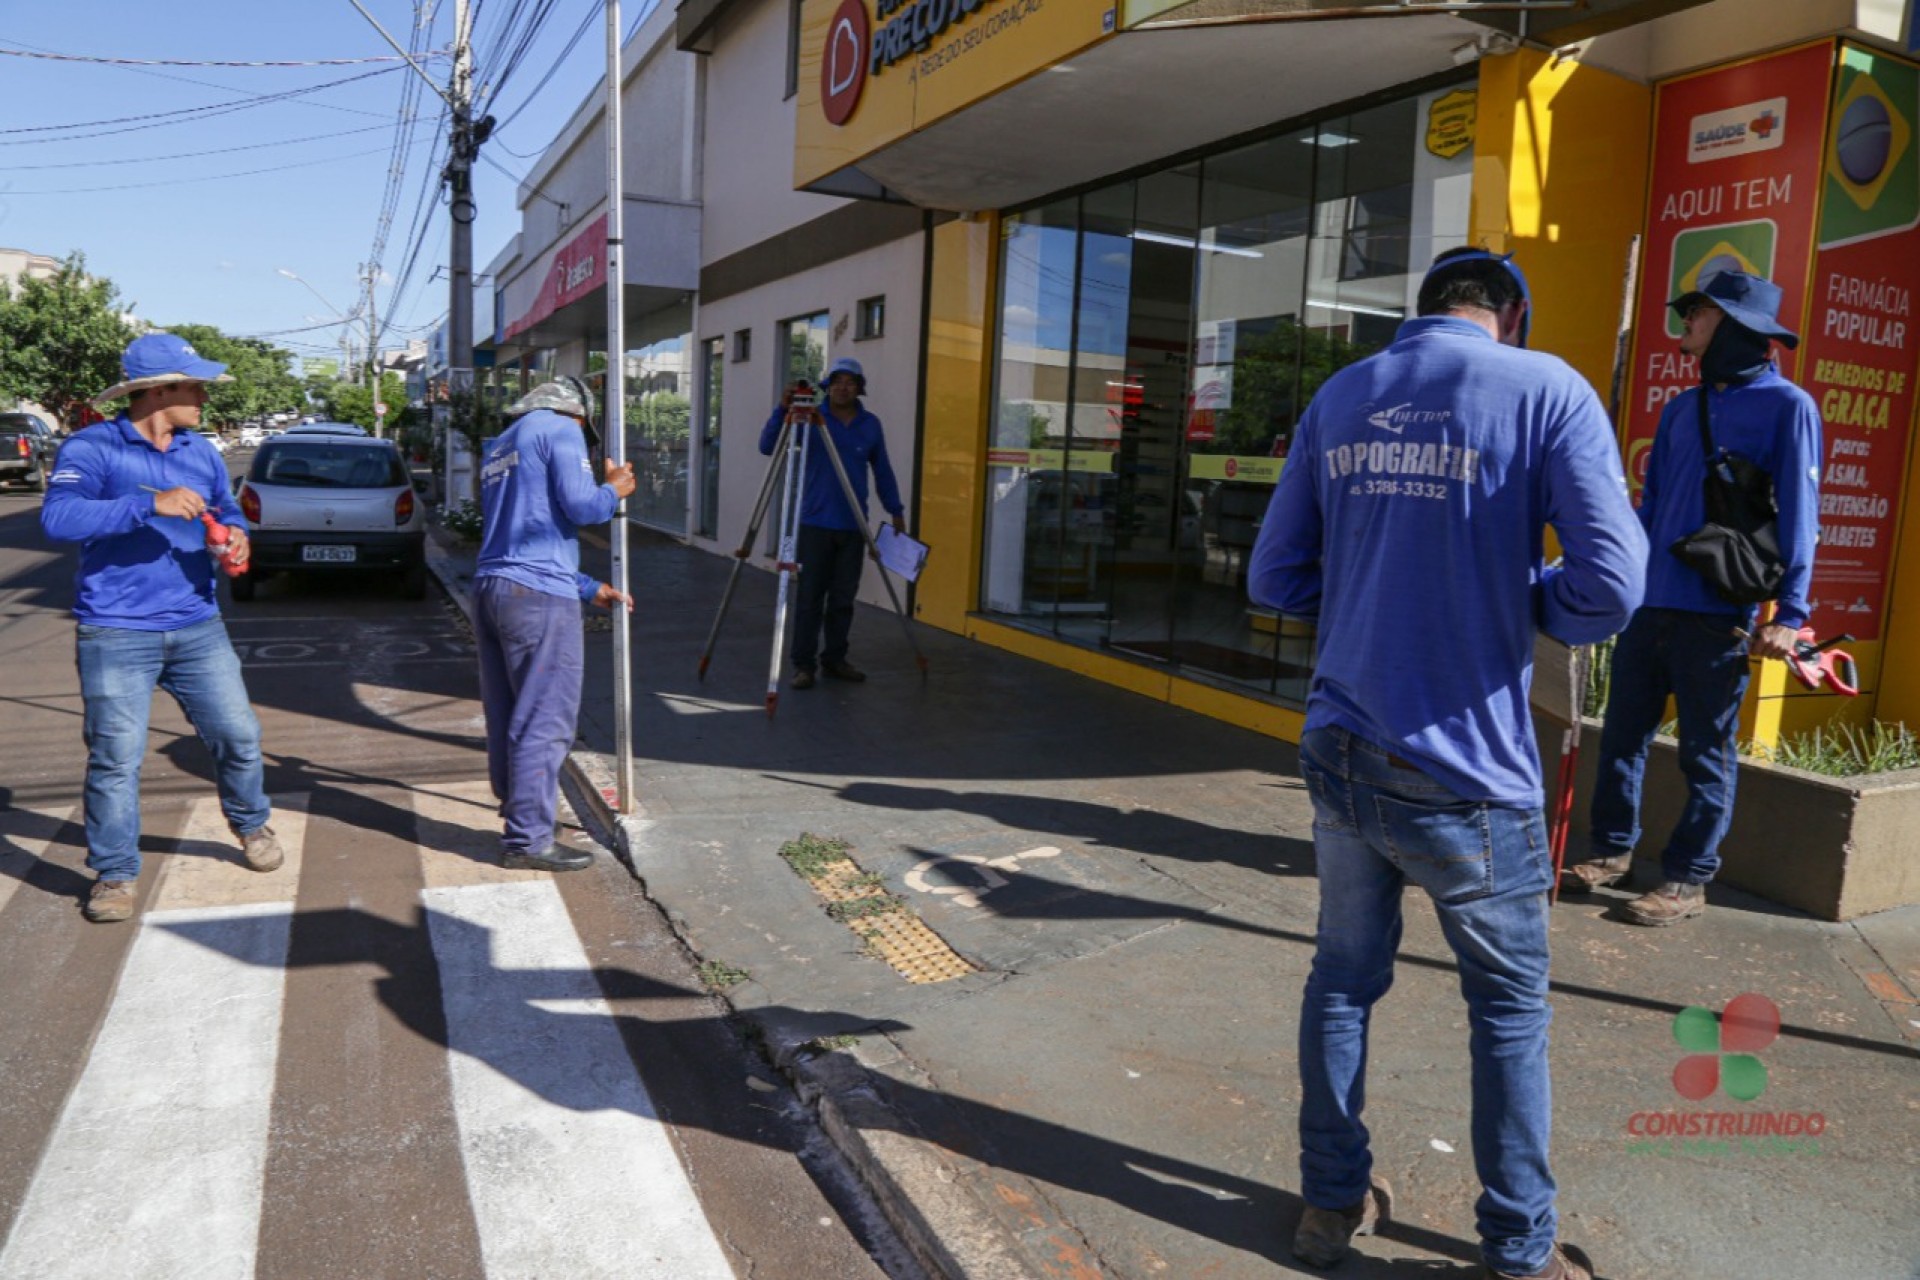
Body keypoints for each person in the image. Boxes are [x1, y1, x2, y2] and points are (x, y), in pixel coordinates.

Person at [1249, 248, 1646, 1280]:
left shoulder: (1343, 395)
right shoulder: (1546, 388)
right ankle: (1518, 1251)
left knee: (1341, 979)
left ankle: (1330, 1203)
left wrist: (1375, 586)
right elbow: (1610, 585)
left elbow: (1276, 573)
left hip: (1339, 744)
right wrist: (1518, 601)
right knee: (1508, 1010)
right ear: (1508, 314)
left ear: (1423, 312)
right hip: (1470, 772)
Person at [1564, 270, 1821, 925]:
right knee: (1621, 736)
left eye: (1699, 313)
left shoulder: (1789, 407)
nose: (1686, 321)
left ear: (1735, 326)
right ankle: (1611, 852)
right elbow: (1649, 513)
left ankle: (1686, 879)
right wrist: (1606, 574)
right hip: (1649, 607)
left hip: (1719, 618)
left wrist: (1790, 615)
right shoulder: (1683, 408)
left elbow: (1800, 513)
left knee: (1707, 755)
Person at [42, 333, 285, 924]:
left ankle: (251, 825)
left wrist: (234, 532)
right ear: (156, 392)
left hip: (198, 625)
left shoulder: (200, 452)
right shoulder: (93, 447)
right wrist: (144, 506)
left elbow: (223, 508)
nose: (203, 395)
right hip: (116, 632)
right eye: (193, 385)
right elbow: (58, 518)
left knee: (239, 735)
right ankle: (115, 874)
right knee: (115, 758)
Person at [473, 377, 636, 872]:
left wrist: (589, 588)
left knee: (509, 714)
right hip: (537, 597)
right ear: (580, 413)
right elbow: (582, 506)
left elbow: (524, 531)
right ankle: (527, 839)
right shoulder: (562, 430)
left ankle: (519, 812)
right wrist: (614, 489)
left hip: (491, 588)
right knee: (545, 719)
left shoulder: (502, 444)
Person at [757, 357, 905, 689]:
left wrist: (895, 510)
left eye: (850, 381)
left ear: (859, 387)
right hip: (814, 523)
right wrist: (782, 410)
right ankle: (803, 665)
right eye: (837, 381)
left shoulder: (871, 425)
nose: (843, 387)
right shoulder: (810, 418)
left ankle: (835, 659)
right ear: (827, 386)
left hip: (853, 525)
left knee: (842, 600)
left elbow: (883, 470)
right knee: (810, 598)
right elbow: (767, 447)